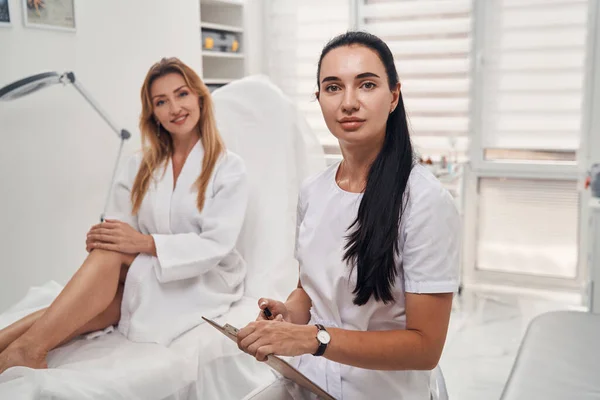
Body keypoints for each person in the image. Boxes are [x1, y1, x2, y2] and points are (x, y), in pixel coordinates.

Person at [237, 31, 460, 400]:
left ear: (393, 96)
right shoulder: (314, 190)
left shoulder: (425, 202)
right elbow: (309, 288)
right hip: (308, 380)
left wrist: (314, 338)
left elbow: (425, 347)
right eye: (333, 87)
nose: (349, 102)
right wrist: (290, 314)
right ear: (319, 98)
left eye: (367, 84)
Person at [0, 57, 248, 373]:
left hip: (203, 276)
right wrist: (107, 235)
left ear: (199, 97)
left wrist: (140, 243)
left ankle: (26, 349)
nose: (175, 108)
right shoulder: (140, 165)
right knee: (85, 298)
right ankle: (16, 348)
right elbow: (120, 226)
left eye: (182, 94)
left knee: (100, 282)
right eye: (162, 101)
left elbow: (216, 244)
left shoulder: (229, 167)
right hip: (145, 266)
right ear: (154, 114)